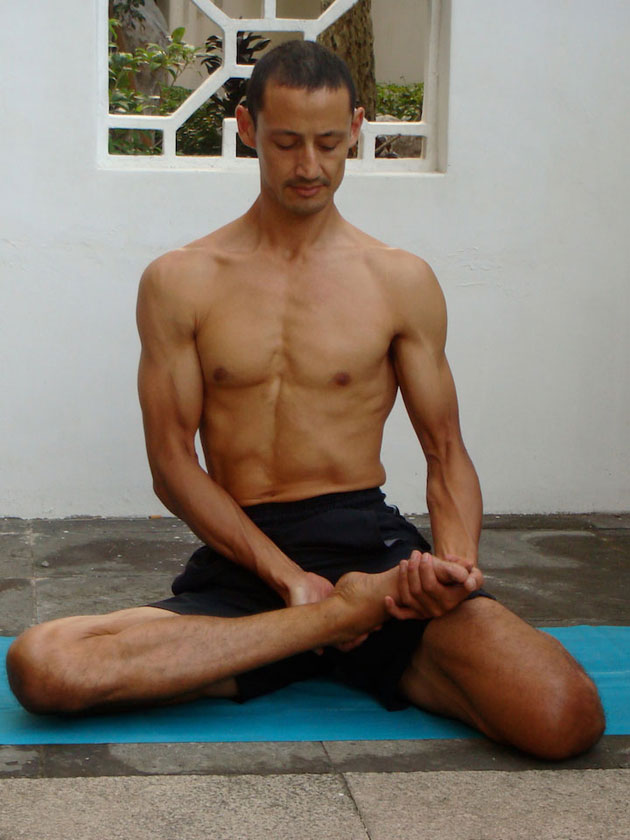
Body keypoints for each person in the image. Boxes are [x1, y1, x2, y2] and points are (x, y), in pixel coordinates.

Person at [7, 41, 603, 759]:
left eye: (327, 142)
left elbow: (446, 453)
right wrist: (296, 585)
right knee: (44, 667)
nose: (309, 166)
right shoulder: (181, 280)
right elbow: (171, 464)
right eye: (287, 142)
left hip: (372, 554)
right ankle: (325, 633)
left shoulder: (399, 280)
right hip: (247, 562)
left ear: (355, 127)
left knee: (563, 714)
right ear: (248, 129)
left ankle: (297, 643)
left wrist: (449, 568)